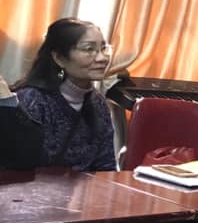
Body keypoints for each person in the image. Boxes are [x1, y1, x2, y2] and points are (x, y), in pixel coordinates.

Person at [0, 18, 117, 171]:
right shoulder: (32, 100)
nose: (102, 58)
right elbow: (20, 166)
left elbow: (106, 167)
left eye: (103, 49)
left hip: (87, 186)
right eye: (89, 49)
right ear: (59, 58)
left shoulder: (98, 103)